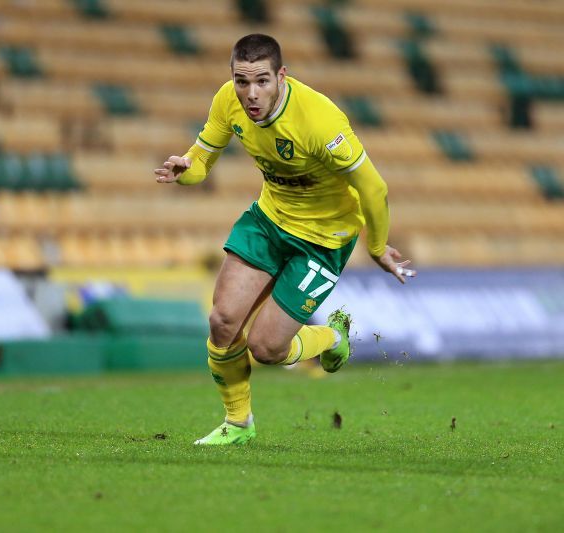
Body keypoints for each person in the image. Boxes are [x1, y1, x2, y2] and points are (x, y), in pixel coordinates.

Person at [153, 34, 414, 445]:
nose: (250, 93)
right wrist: (186, 169)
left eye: (261, 81)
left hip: (324, 238)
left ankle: (332, 336)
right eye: (241, 81)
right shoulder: (227, 101)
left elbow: (374, 189)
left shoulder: (319, 120)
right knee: (222, 321)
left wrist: (377, 247)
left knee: (267, 348)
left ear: (282, 77)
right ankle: (238, 425)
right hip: (269, 221)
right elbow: (202, 160)